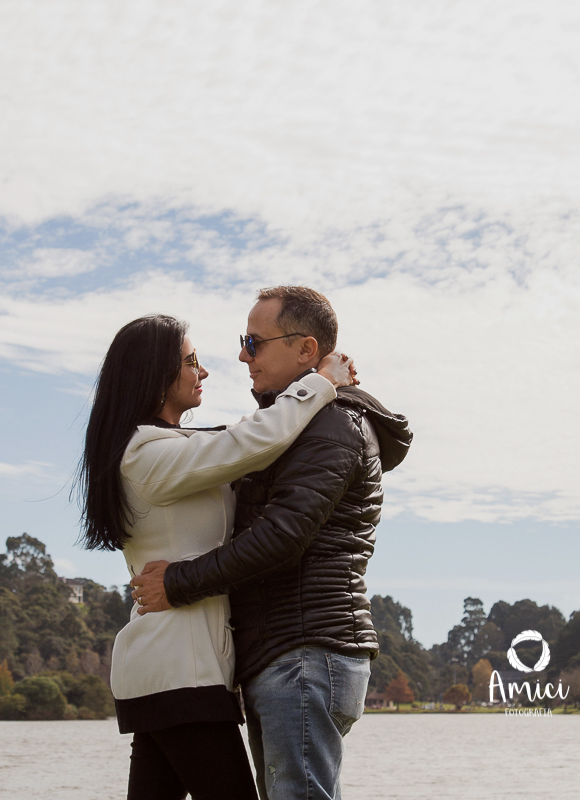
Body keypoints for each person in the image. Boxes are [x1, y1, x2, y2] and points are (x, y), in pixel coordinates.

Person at [128, 286, 413, 800]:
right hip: (283, 654)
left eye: (254, 342)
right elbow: (224, 445)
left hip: (305, 651)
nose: (243, 356)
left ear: (305, 349)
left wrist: (178, 581)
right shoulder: (290, 428)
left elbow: (281, 537)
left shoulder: (331, 423)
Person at [76, 313, 355, 800]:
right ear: (154, 374)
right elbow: (250, 441)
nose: (202, 371)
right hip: (181, 672)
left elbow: (243, 437)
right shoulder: (144, 455)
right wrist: (319, 384)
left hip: (172, 668)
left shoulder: (171, 447)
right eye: (191, 361)